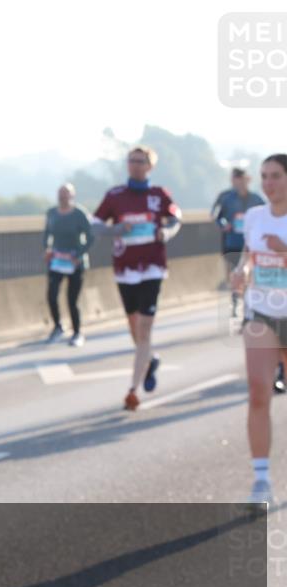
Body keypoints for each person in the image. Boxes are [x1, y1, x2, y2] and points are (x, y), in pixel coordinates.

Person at [91, 145, 182, 411]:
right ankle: (150, 360)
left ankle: (133, 390)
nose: (135, 165)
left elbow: (176, 219)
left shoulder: (159, 194)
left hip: (152, 268)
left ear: (150, 166)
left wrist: (167, 232)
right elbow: (94, 224)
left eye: (140, 161)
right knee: (134, 327)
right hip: (125, 269)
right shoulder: (115, 195)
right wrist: (116, 229)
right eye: (131, 160)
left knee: (144, 329)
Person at [230, 153, 287, 510]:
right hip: (262, 312)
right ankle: (261, 480)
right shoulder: (254, 216)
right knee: (257, 393)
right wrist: (242, 274)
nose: (268, 183)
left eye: (276, 176)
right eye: (264, 176)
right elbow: (248, 256)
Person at [44, 183, 93, 347]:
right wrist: (47, 249)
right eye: (61, 193)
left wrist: (78, 254)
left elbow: (91, 236)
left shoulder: (79, 214)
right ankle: (58, 326)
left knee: (72, 300)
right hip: (57, 261)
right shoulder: (52, 213)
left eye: (66, 193)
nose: (63, 196)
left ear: (72, 196)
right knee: (52, 295)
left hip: (75, 263)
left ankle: (77, 332)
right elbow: (47, 234)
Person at [212, 167, 265, 319]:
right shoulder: (226, 197)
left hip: (252, 245)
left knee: (249, 276)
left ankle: (249, 306)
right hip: (233, 243)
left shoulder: (256, 199)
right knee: (237, 274)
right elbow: (216, 215)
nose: (239, 182)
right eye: (235, 179)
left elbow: (267, 215)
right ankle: (236, 305)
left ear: (247, 179)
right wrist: (224, 225)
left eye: (241, 179)